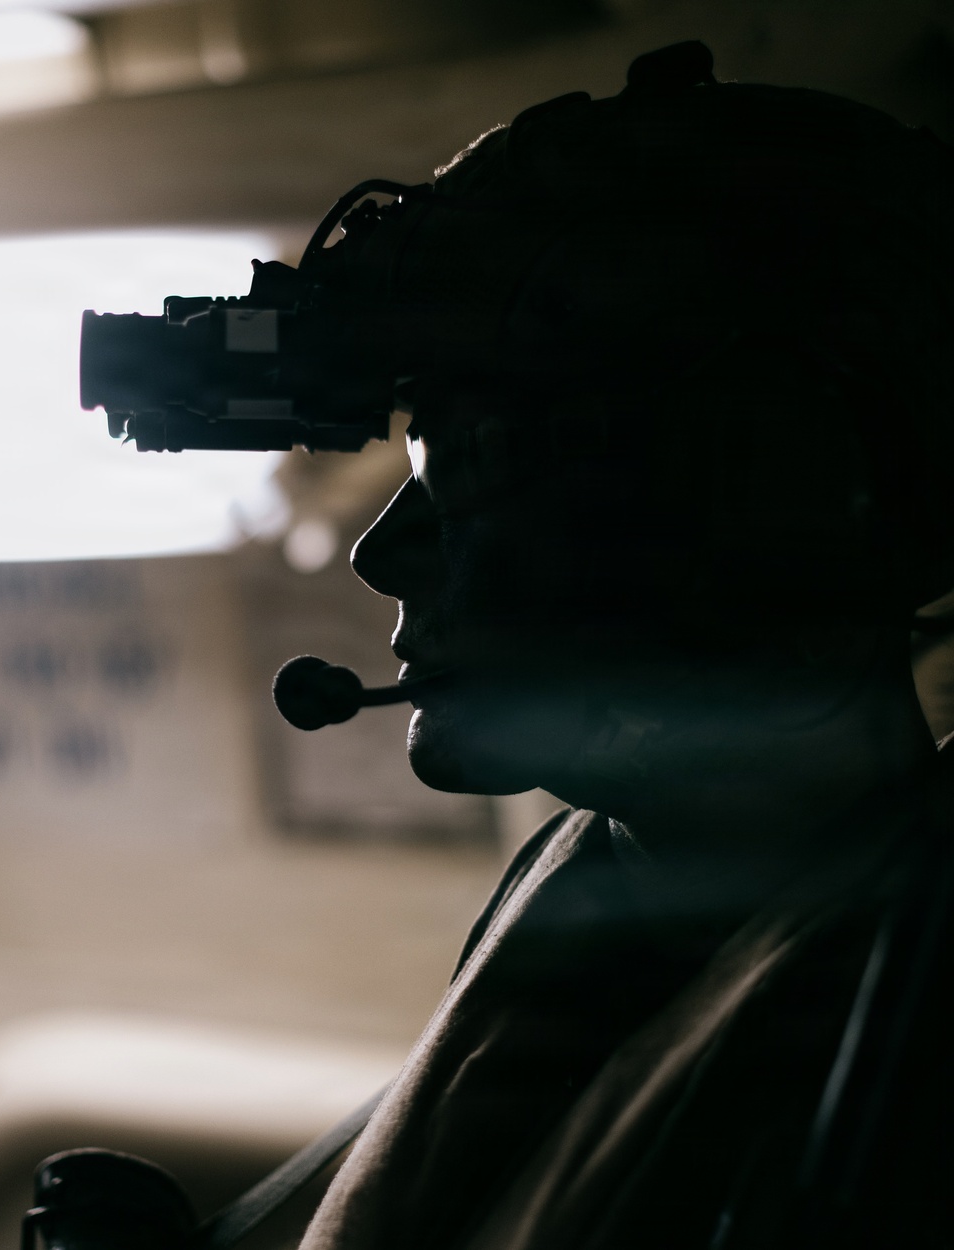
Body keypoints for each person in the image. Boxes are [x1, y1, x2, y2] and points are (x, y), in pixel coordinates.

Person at [298, 41, 953, 1249]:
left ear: (760, 500)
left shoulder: (910, 1018)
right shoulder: (586, 870)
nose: (382, 554)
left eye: (467, 462)